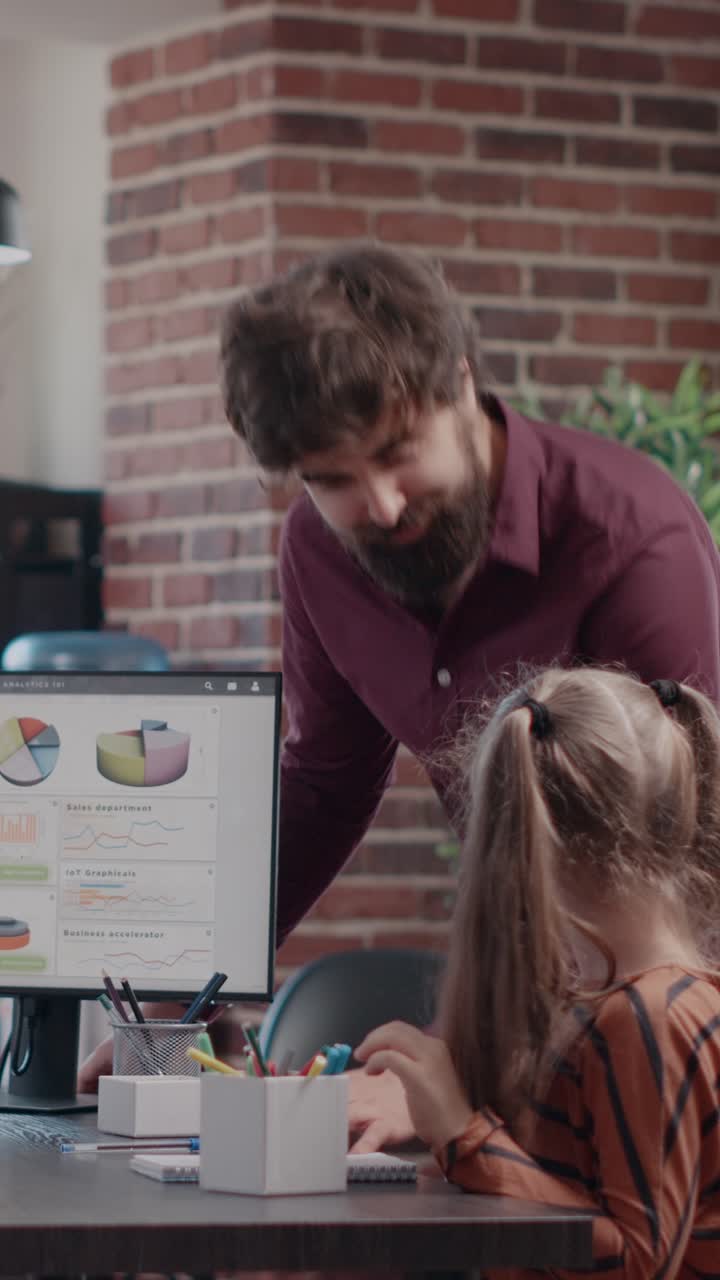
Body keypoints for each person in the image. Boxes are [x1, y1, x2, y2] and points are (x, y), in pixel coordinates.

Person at [79, 244, 720, 1151]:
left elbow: (669, 854)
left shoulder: (630, 537)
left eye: (396, 452)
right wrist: (180, 994)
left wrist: (457, 1061)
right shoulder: (316, 553)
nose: (379, 505)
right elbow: (324, 786)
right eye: (332, 478)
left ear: (461, 384)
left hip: (661, 1034)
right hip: (530, 1000)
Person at [356, 668, 720, 1278]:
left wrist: (465, 1136)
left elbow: (637, 1262)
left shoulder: (648, 1018)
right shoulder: (627, 1005)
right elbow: (562, 1191)